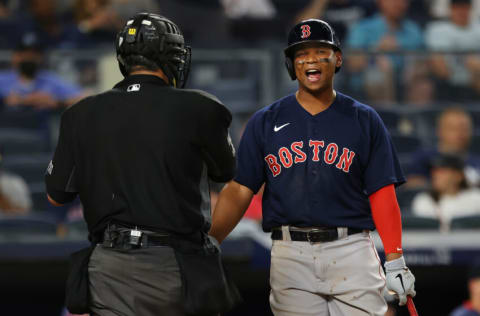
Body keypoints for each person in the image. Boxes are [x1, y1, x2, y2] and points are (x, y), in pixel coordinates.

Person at [209, 19, 416, 315]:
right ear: (291, 65)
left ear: (338, 59)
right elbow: (240, 189)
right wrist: (211, 241)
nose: (311, 60)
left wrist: (395, 258)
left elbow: (382, 192)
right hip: (290, 252)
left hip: (351, 248)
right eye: (301, 54)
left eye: (321, 51)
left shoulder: (364, 119)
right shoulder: (265, 121)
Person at [45, 12, 237, 316]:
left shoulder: (79, 114)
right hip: (174, 264)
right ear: (170, 57)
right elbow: (226, 173)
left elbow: (56, 195)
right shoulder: (201, 107)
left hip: (107, 263)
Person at [345, 0, 423, 104]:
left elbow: (425, 61)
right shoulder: (363, 28)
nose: (399, 4)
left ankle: (413, 119)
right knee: (380, 71)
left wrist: (416, 68)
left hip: (406, 84)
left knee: (423, 84)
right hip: (366, 88)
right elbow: (352, 64)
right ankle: (386, 118)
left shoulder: (413, 30)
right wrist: (376, 50)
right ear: (380, 2)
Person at [0, 32, 85, 111]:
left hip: (39, 125)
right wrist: (6, 100)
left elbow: (83, 97)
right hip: (7, 125)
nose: (28, 58)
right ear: (15, 57)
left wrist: (57, 102)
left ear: (41, 58)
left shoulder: (50, 79)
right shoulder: (3, 79)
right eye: (23, 54)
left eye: (33, 55)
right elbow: (10, 100)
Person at [407, 107, 480, 188]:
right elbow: (413, 185)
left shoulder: (477, 161)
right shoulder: (424, 157)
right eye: (453, 129)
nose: (460, 133)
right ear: (440, 131)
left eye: (465, 129)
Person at [425, 0, 480, 102]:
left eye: (464, 7)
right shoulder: (437, 29)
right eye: (457, 7)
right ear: (450, 9)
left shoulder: (478, 29)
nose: (461, 11)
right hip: (447, 85)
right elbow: (439, 67)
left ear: (470, 9)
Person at [411, 153, 480, 231]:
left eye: (442, 171)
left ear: (458, 176)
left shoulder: (476, 197)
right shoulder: (423, 200)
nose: (435, 175)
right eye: (434, 171)